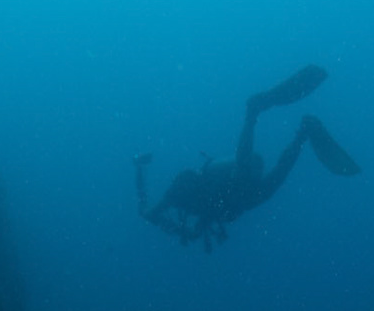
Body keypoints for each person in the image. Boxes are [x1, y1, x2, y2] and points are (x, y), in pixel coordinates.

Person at [135, 64, 360, 250]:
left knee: (253, 172)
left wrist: (140, 174)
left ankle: (254, 112)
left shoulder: (180, 195)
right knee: (271, 181)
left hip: (230, 183)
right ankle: (299, 132)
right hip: (238, 193)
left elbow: (149, 214)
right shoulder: (195, 202)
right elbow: (163, 219)